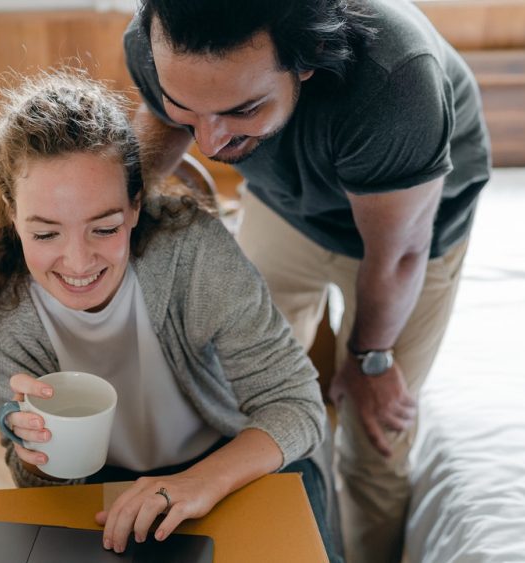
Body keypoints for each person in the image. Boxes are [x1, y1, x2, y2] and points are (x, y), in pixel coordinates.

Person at [122, 1, 492, 561]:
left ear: (308, 61)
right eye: (187, 109)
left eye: (241, 110)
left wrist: (371, 358)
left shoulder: (395, 78)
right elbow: (161, 131)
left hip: (409, 236)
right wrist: (112, 214)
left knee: (375, 442)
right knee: (241, 404)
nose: (211, 144)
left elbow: (398, 254)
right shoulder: (158, 35)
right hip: (284, 207)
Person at [0, 70, 341, 558]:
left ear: (134, 206)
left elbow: (297, 406)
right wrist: (37, 453)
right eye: (45, 235)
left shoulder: (193, 255)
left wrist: (196, 484)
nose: (79, 263)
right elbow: (43, 489)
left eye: (103, 228)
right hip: (106, 492)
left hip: (231, 464)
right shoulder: (8, 318)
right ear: (12, 214)